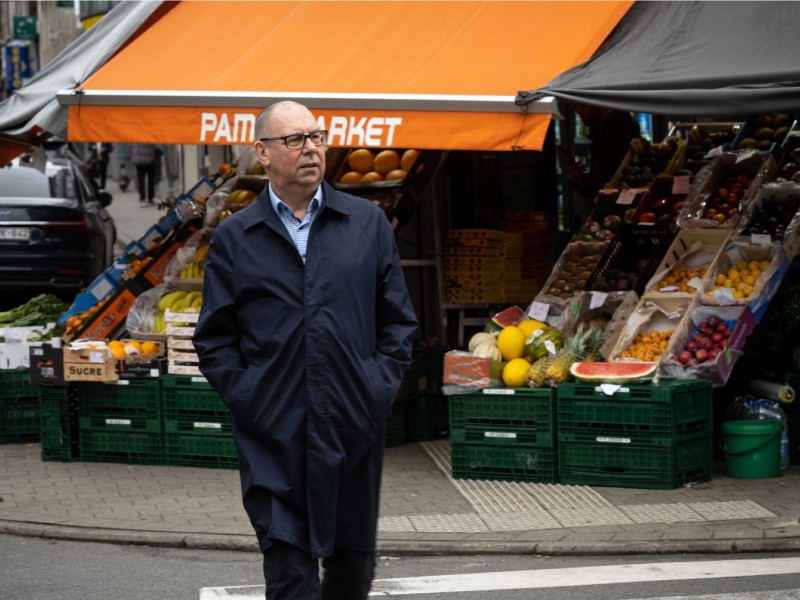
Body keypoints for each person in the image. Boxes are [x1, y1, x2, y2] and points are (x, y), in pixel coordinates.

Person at [193, 100, 418, 600]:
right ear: (263, 153)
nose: (311, 148)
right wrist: (251, 397)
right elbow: (214, 339)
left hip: (351, 428)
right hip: (273, 434)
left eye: (316, 136)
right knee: (290, 577)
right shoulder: (236, 237)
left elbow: (398, 322)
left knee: (350, 577)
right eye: (295, 139)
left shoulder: (366, 224)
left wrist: (375, 389)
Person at [564, 104, 641, 227]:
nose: (578, 112)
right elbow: (602, 184)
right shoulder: (603, 131)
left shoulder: (618, 130)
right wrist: (581, 180)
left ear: (598, 104)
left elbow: (619, 180)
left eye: (583, 106)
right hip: (609, 217)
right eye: (576, 107)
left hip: (617, 218)